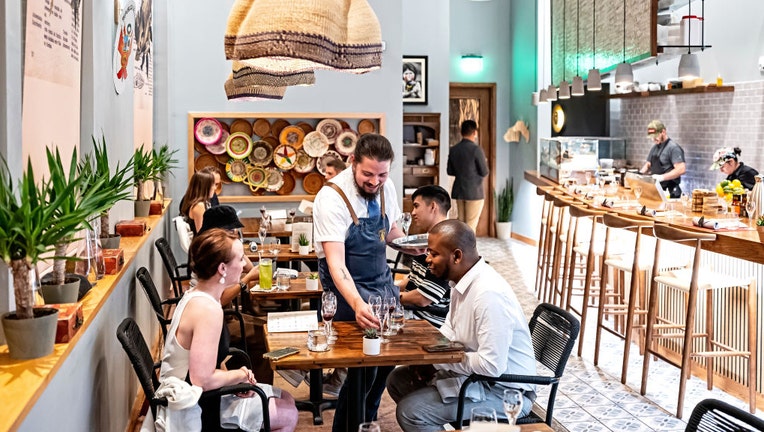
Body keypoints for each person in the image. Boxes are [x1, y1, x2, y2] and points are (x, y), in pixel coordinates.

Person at [386, 220, 537, 431]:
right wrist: (432, 361)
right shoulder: (460, 283)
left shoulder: (488, 294)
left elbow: (491, 366)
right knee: (399, 379)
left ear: (456, 256)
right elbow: (449, 332)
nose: (427, 259)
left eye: (433, 253)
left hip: (505, 392)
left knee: (411, 412)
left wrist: (443, 363)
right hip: (476, 379)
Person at [158, 229, 298, 431]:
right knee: (289, 414)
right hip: (195, 406)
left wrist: (233, 377)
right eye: (240, 259)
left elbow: (209, 362)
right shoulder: (207, 310)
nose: (244, 265)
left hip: (197, 392)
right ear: (222, 268)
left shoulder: (197, 294)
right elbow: (202, 380)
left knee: (286, 397)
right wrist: (240, 374)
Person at [313, 133, 406, 431]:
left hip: (383, 290)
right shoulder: (331, 197)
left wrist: (412, 245)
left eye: (382, 174)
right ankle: (348, 427)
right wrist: (356, 303)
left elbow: (390, 231)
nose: (375, 181)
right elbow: (336, 263)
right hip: (347, 295)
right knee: (361, 373)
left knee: (383, 368)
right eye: (368, 174)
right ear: (352, 161)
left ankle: (367, 425)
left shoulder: (385, 185)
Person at [396, 185, 452, 328]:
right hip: (411, 313)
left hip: (427, 322)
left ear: (433, 206)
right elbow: (412, 279)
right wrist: (390, 287)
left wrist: (389, 296)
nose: (413, 212)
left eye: (416, 206)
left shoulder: (446, 244)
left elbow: (423, 299)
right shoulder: (427, 240)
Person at [197, 205, 259, 305]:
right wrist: (247, 279)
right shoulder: (211, 250)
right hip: (205, 303)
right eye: (231, 230)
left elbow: (248, 267)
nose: (233, 233)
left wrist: (235, 243)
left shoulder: (213, 243)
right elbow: (220, 300)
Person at [446, 120, 489, 232]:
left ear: (461, 132)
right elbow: (484, 172)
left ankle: (460, 249)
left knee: (461, 224)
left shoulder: (454, 149)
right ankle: (469, 249)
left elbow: (450, 171)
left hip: (459, 191)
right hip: (474, 192)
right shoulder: (476, 149)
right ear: (475, 132)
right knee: (470, 226)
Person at [639, 120, 686, 198]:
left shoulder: (673, 148)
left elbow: (681, 169)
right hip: (657, 190)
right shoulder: (655, 147)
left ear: (663, 132)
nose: (653, 139)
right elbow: (648, 164)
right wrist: (639, 175)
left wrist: (661, 177)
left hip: (670, 192)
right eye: (652, 137)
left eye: (655, 136)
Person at [180, 170, 216, 234]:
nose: (215, 188)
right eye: (213, 185)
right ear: (205, 187)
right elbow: (202, 234)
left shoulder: (199, 203)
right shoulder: (199, 206)